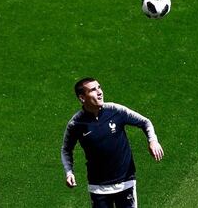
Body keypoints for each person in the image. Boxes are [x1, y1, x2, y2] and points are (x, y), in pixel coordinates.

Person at [61, 77, 164, 208]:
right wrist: (69, 172)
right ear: (82, 98)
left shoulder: (115, 111)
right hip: (98, 187)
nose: (99, 92)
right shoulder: (76, 124)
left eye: (99, 87)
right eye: (93, 90)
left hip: (125, 182)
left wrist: (153, 141)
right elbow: (66, 150)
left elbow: (145, 122)